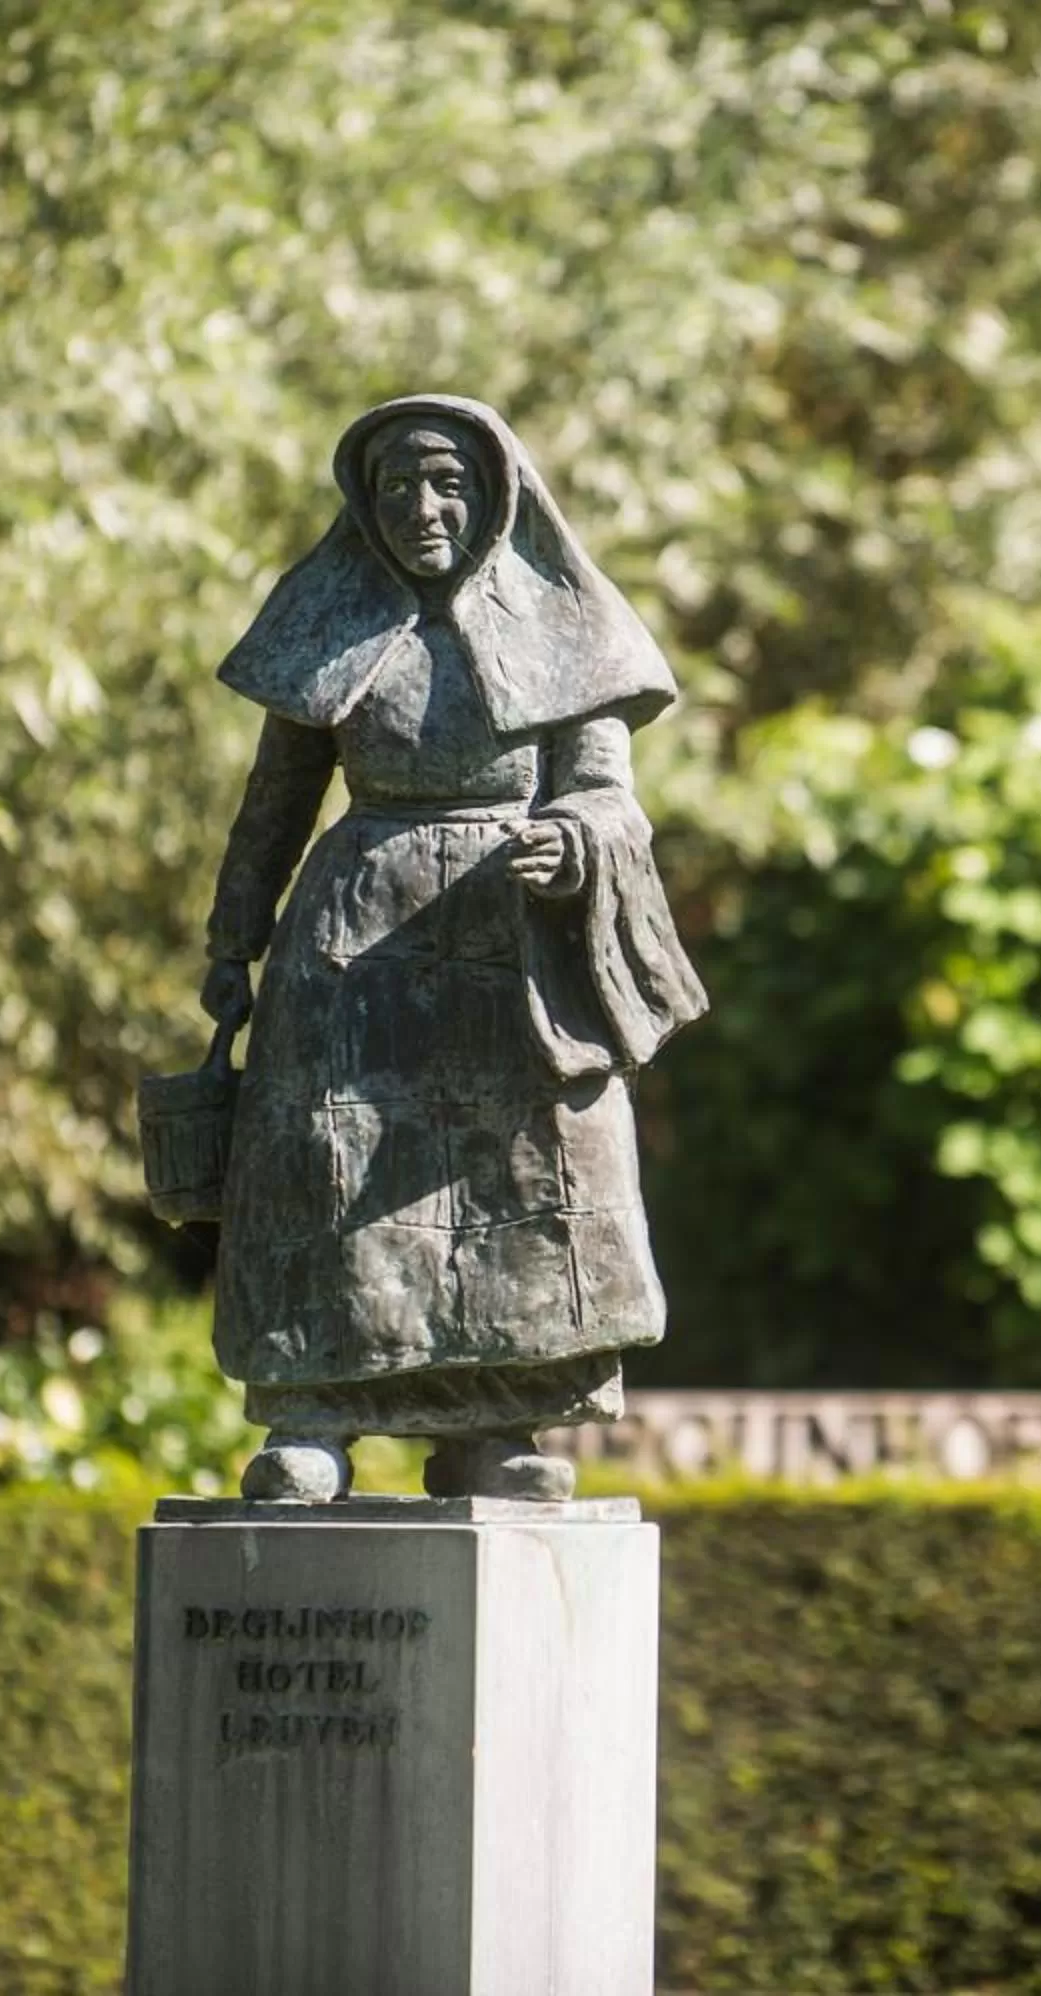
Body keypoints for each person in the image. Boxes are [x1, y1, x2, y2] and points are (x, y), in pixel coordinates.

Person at [193, 395, 706, 1502]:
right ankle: (315, 1414)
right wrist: (235, 938)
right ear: (364, 508)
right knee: (328, 1175)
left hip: (507, 946)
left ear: (494, 498)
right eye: (396, 489)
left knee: (513, 1174)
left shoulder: (569, 627)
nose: (422, 509)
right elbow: (275, 800)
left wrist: (573, 843)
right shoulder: (328, 626)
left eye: (446, 485)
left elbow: (606, 790)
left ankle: (503, 1417)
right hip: (352, 948)